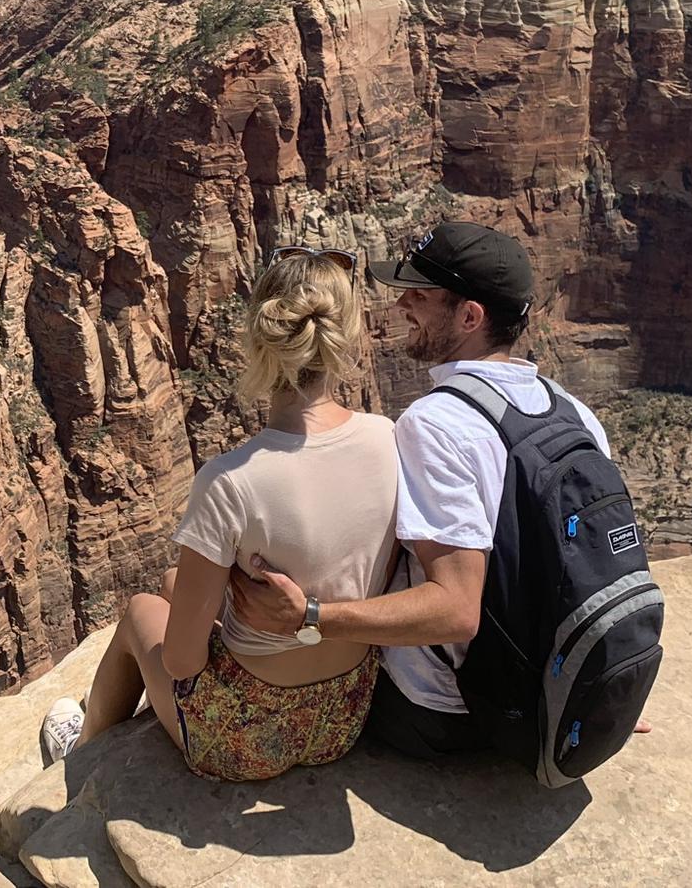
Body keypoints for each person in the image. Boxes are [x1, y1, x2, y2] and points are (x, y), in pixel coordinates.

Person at [231, 222, 618, 759]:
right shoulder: (572, 411)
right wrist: (592, 688)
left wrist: (311, 617)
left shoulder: (434, 424)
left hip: (446, 715)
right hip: (543, 696)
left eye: (419, 295)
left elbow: (456, 611)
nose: (400, 307)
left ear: (469, 316)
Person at [37, 247, 399, 781]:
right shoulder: (390, 438)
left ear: (258, 341)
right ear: (345, 337)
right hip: (342, 716)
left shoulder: (231, 481)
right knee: (172, 581)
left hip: (245, 741)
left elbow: (183, 663)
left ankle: (84, 754)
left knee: (142, 609)